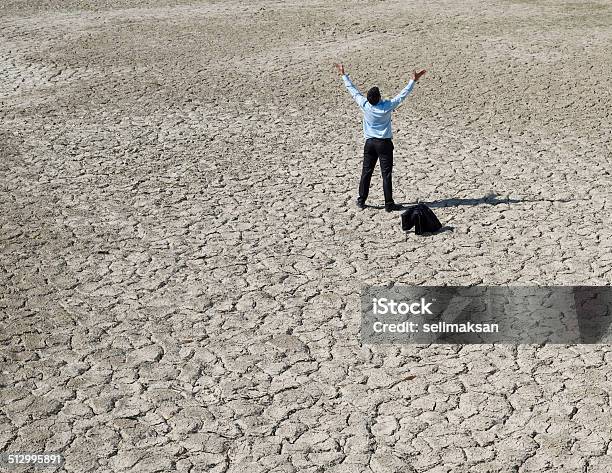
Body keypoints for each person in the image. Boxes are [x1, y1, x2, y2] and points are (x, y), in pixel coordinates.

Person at [334, 63, 426, 211]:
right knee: (386, 173)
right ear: (379, 98)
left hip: (369, 143)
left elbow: (352, 90)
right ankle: (388, 204)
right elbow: (402, 96)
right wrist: (413, 80)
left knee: (366, 171)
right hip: (384, 144)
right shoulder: (386, 106)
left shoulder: (364, 104)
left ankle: (361, 200)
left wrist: (343, 74)